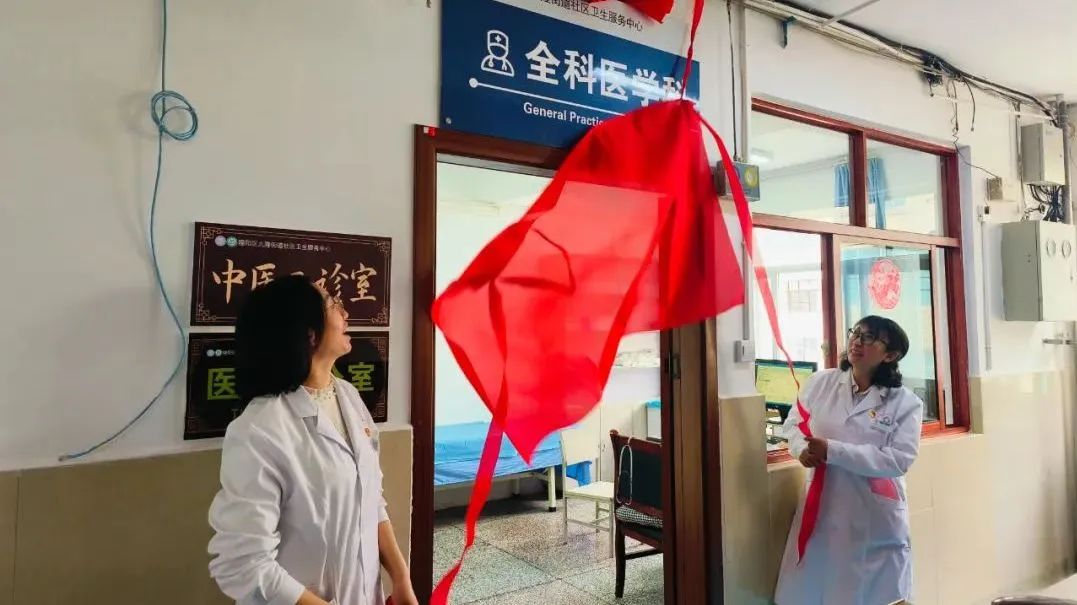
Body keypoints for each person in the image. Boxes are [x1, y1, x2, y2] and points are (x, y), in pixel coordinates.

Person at [208, 275, 418, 605]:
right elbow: (244, 565)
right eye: (333, 304)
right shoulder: (259, 429)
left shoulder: (347, 395)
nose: (345, 313)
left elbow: (371, 499)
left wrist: (401, 577)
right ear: (308, 333)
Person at [774, 315, 923, 605]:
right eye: (856, 333)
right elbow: (794, 424)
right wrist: (800, 449)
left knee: (872, 595)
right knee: (816, 587)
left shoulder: (905, 403)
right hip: (823, 503)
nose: (857, 341)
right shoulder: (820, 383)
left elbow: (898, 460)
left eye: (869, 338)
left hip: (871, 513)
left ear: (890, 355)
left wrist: (832, 451)